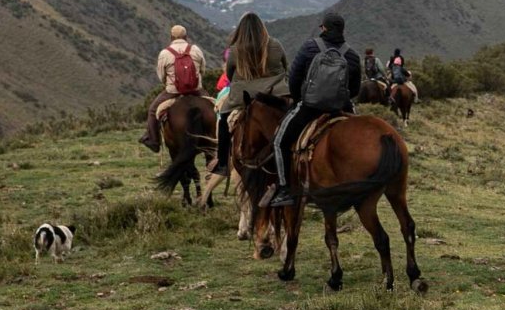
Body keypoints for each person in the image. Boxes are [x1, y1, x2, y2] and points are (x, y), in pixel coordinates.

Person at [262, 12, 362, 207]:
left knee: (280, 142)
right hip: (340, 109)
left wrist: (301, 100)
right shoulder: (352, 54)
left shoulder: (310, 47)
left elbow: (294, 77)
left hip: (310, 107)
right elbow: (355, 89)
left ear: (323, 28)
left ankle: (284, 189)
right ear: (342, 31)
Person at [209, 12, 289, 175]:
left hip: (243, 95)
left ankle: (223, 163)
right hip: (275, 93)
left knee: (224, 119)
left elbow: (230, 76)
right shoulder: (275, 44)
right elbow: (285, 66)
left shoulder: (234, 50)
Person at [140, 24, 207, 152]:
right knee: (215, 108)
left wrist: (169, 83)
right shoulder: (196, 49)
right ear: (186, 36)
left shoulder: (165, 53)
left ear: (171, 37)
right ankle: (220, 138)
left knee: (153, 111)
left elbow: (161, 76)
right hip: (196, 90)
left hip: (173, 92)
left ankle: (154, 141)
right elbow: (202, 69)